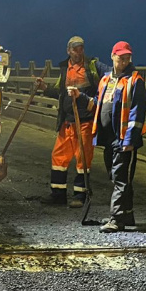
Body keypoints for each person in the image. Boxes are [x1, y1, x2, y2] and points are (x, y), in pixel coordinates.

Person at [35, 36, 110, 207]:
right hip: (67, 122)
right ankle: (58, 194)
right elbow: (60, 92)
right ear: (68, 50)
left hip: (85, 121)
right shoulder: (65, 68)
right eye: (75, 49)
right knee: (59, 157)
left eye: (81, 48)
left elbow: (112, 75)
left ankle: (80, 196)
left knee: (83, 158)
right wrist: (45, 89)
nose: (78, 51)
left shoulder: (92, 66)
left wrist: (97, 99)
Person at [93, 41, 146, 232]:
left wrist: (130, 140)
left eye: (127, 58)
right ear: (112, 56)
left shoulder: (135, 80)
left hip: (123, 138)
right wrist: (78, 97)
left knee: (120, 177)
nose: (123, 62)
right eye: (120, 58)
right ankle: (127, 214)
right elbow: (98, 101)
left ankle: (116, 219)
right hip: (108, 138)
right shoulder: (106, 80)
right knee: (114, 176)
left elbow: (136, 112)